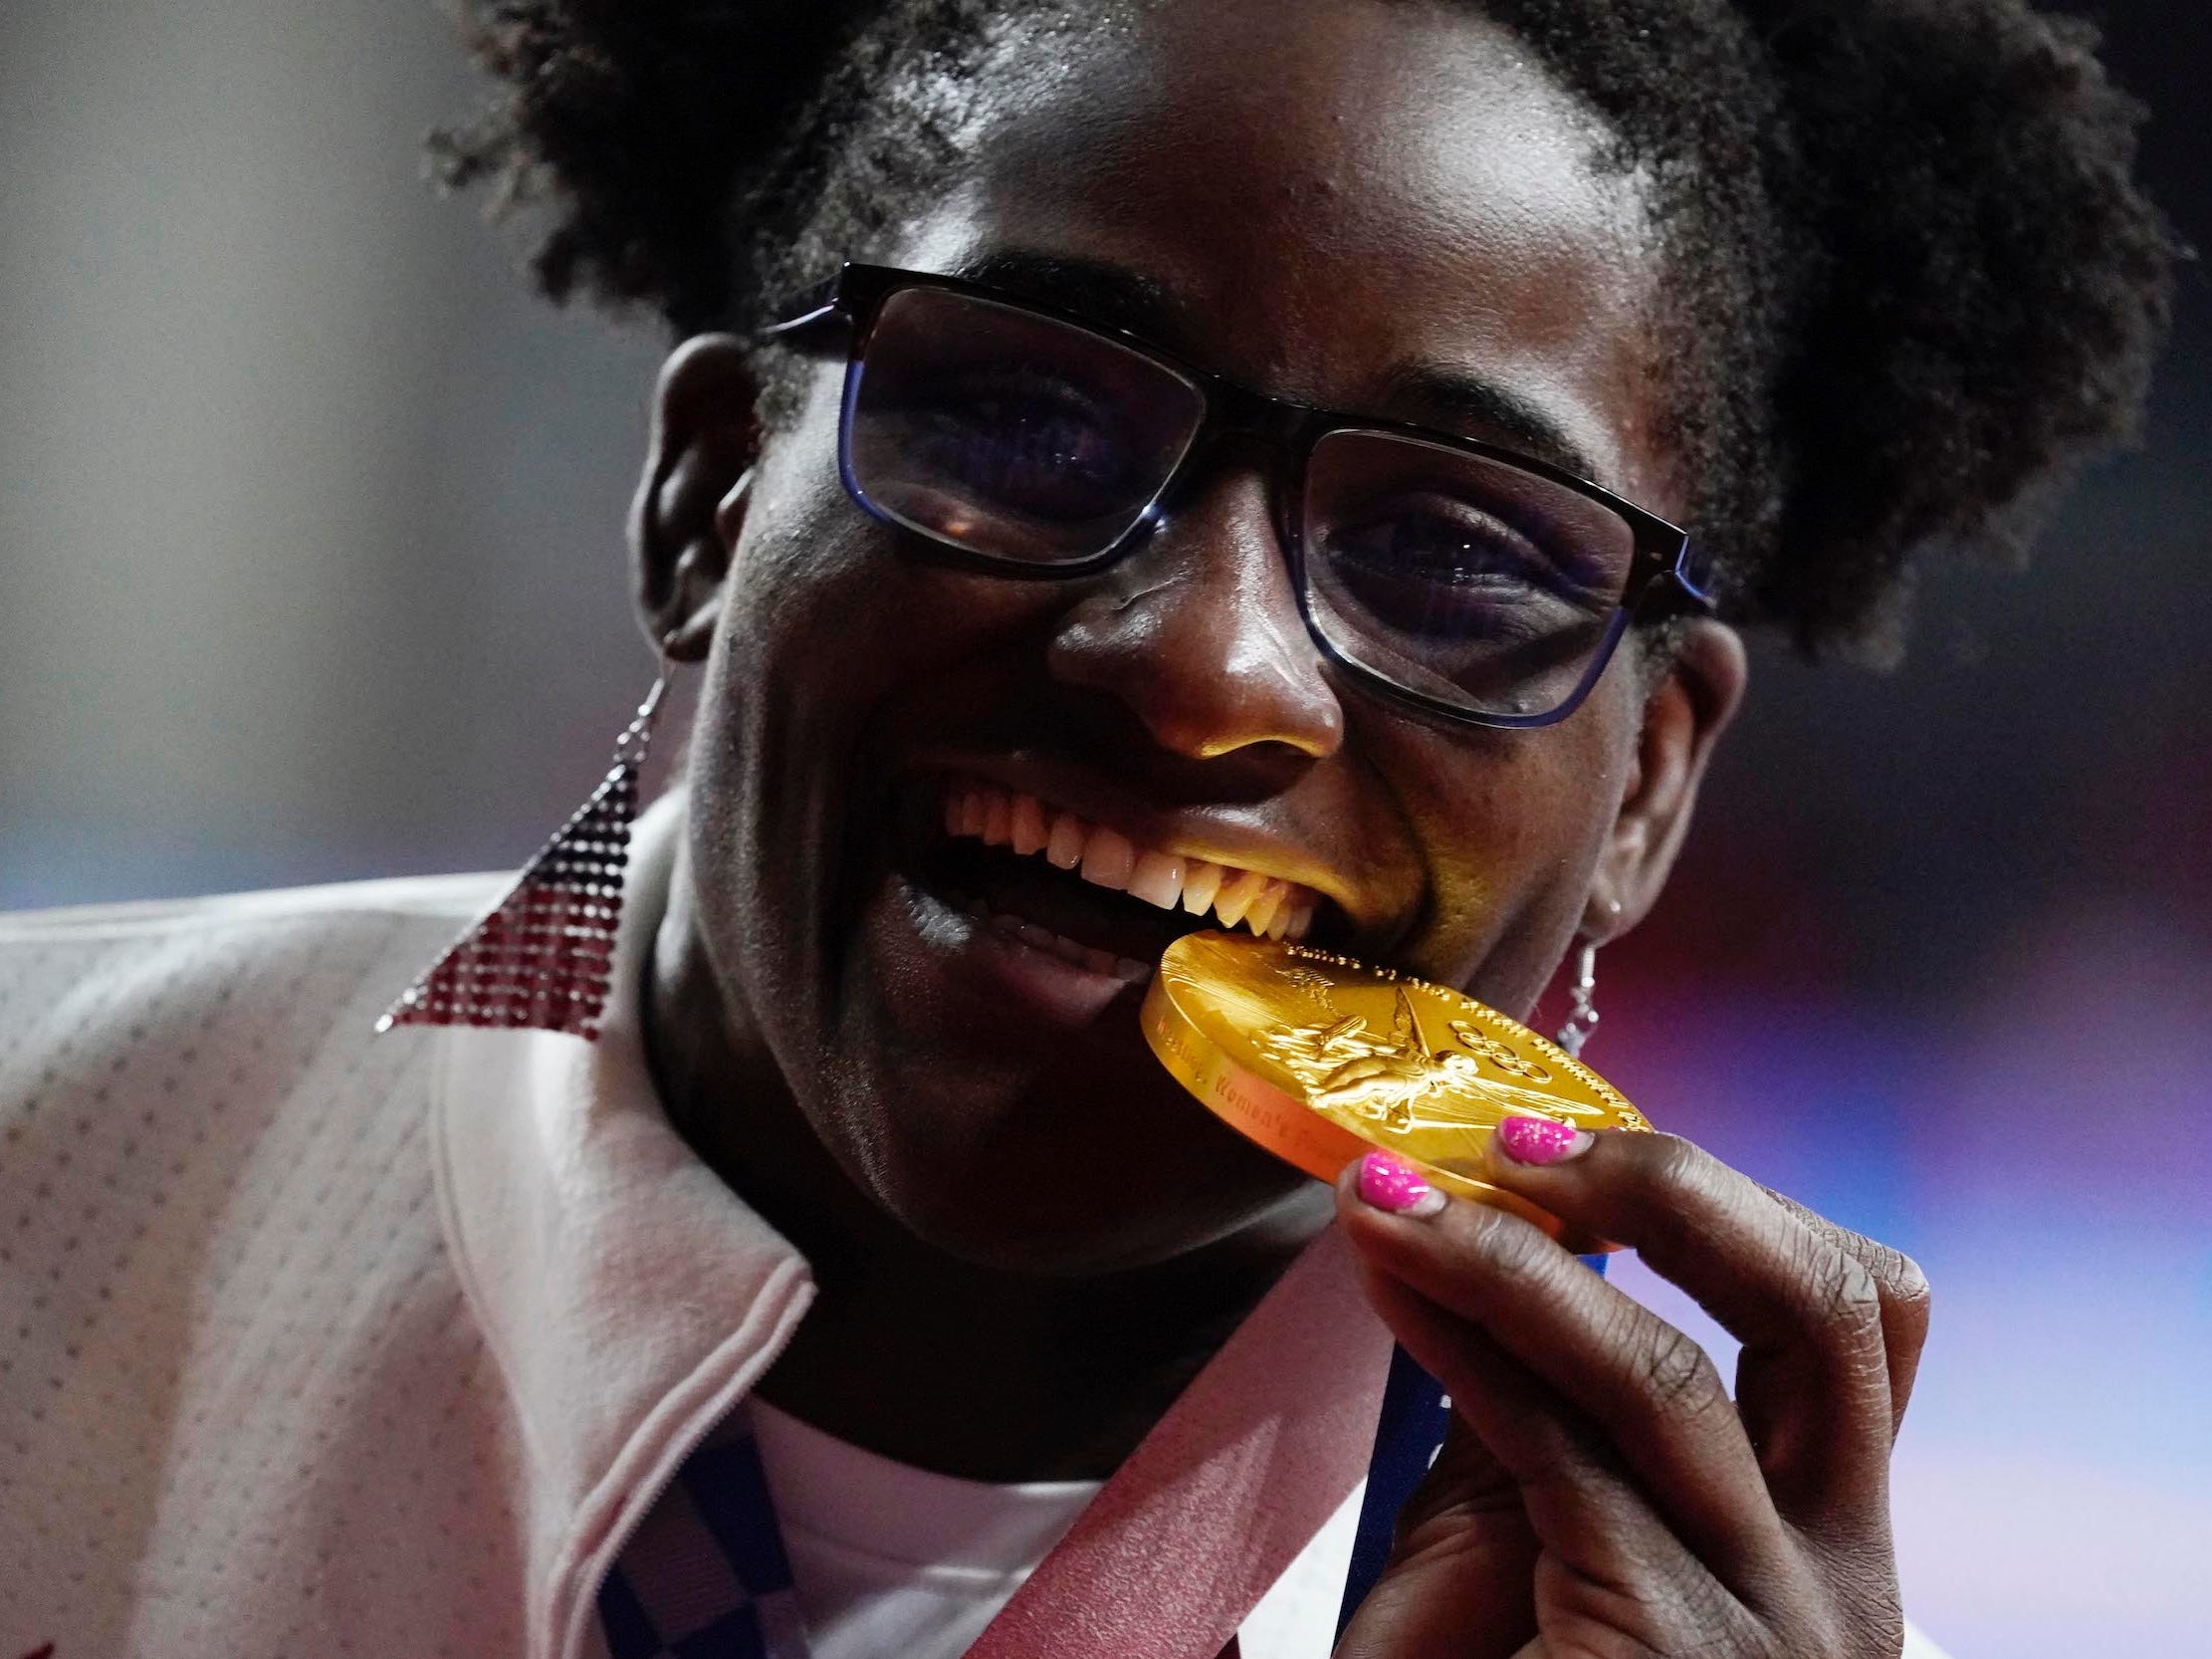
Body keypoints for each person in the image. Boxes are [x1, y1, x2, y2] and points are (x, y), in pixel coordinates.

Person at [0, 2, 2173, 1656]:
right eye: (1023, 413)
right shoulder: (45, 1150)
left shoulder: (1623, 1584)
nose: (1205, 666)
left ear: (1651, 787)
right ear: (704, 498)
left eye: (1459, 553)